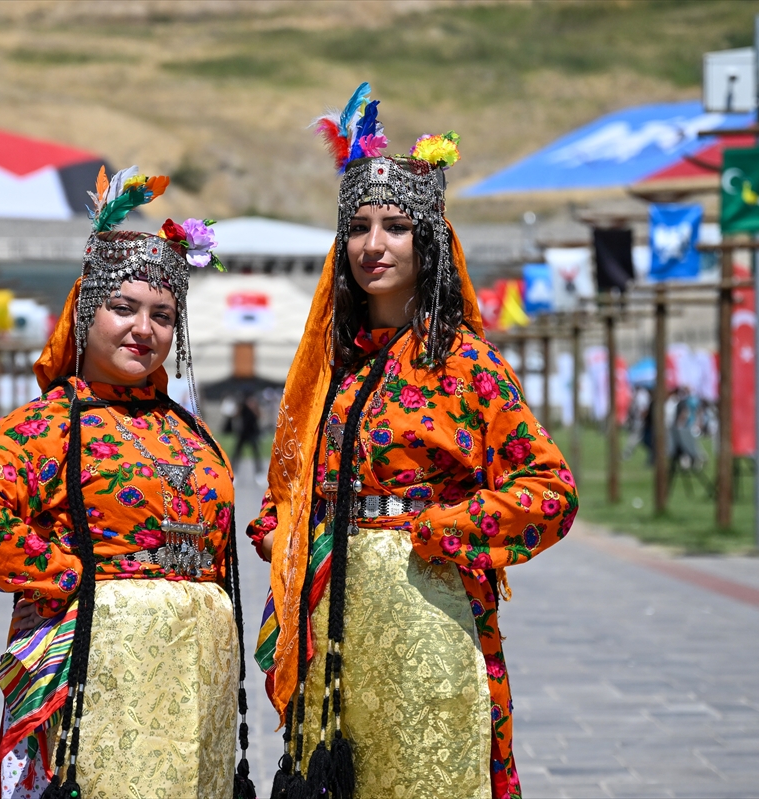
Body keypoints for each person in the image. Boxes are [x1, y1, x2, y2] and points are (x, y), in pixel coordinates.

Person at [247, 84, 578, 799]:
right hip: (332, 629)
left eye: (395, 226)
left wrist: (441, 529)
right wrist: (285, 530)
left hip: (430, 616)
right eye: (359, 226)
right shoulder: (333, 371)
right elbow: (295, 486)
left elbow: (551, 492)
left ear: (425, 240)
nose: (373, 245)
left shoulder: (467, 365)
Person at [0, 167, 255, 799]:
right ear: (86, 313)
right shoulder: (50, 424)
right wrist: (75, 581)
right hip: (98, 675)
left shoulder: (190, 431)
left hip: (197, 682)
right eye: (124, 308)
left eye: (163, 315)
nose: (144, 329)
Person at [232, 392, 263, 476]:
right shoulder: (242, 405)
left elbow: (259, 415)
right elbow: (236, 415)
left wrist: (253, 407)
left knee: (256, 452)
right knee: (237, 452)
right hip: (243, 432)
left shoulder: (254, 405)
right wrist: (240, 407)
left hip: (252, 431)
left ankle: (259, 471)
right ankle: (233, 470)